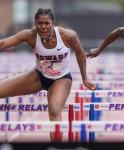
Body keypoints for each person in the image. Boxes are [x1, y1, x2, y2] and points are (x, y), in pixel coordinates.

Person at [0, 8, 96, 141]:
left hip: (61, 79)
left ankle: (56, 145)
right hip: (38, 76)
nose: (43, 27)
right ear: (35, 23)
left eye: (47, 23)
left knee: (54, 110)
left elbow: (80, 54)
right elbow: (3, 43)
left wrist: (85, 78)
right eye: (40, 23)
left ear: (53, 23)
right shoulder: (30, 35)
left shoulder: (68, 36)